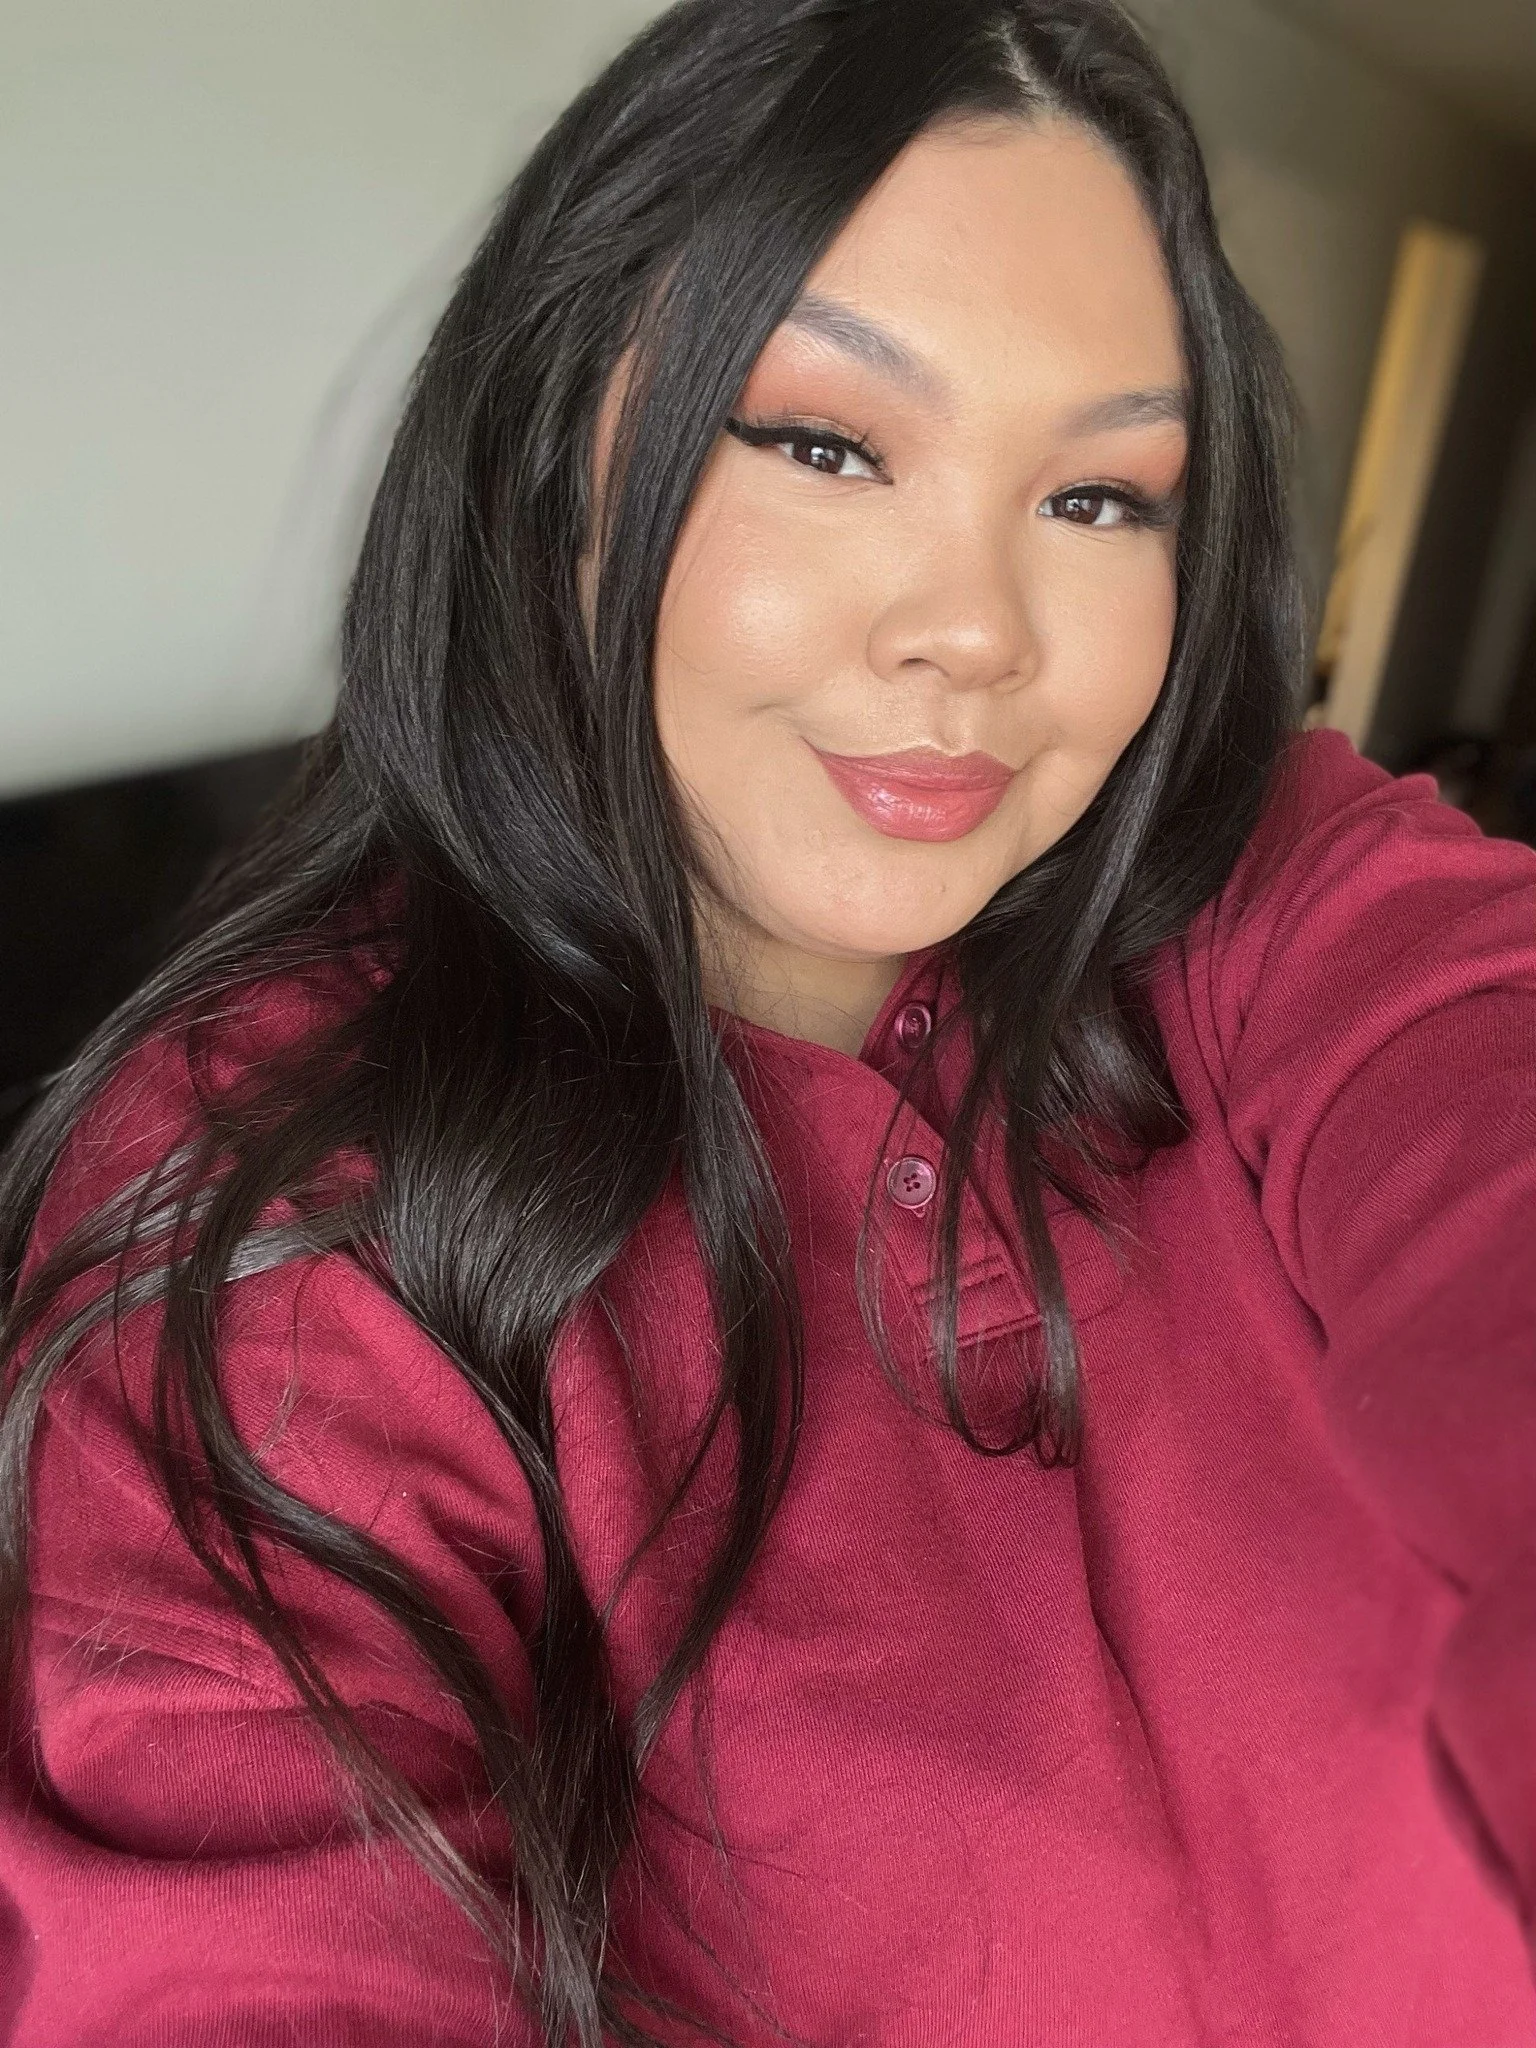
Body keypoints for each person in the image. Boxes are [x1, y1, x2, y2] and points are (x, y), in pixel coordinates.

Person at [2, 0, 1533, 2041]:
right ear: (554, 461)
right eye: (826, 443)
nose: (975, 631)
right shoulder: (279, 1215)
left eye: (1102, 497)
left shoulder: (1271, 888)